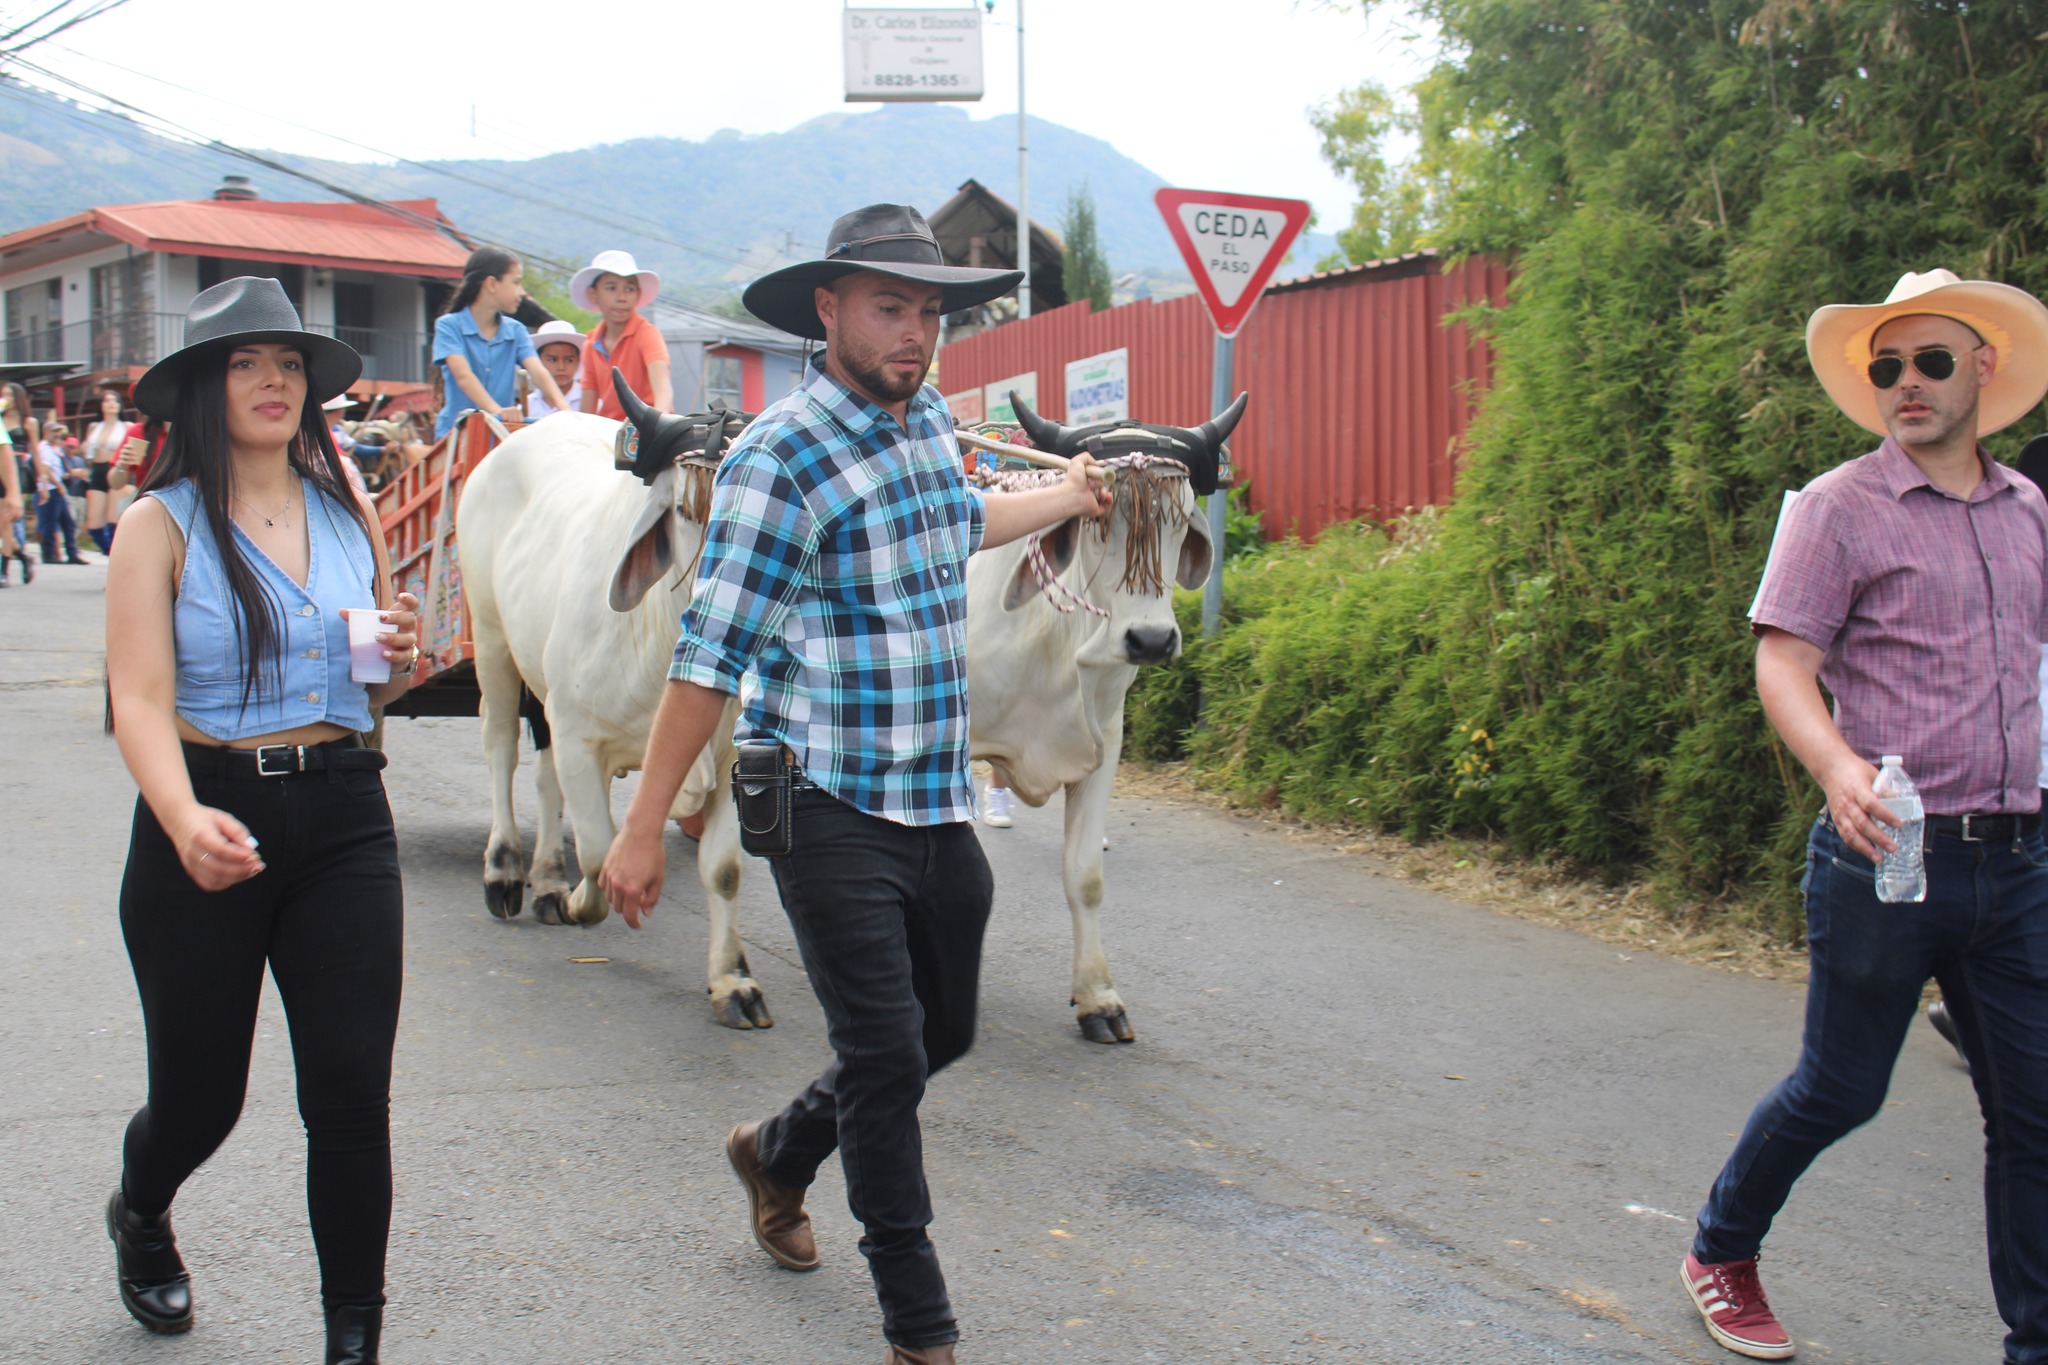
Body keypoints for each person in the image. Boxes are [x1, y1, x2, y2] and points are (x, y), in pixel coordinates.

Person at [599, 203, 1112, 1365]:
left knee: (941, 1033)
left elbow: (956, 522)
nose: (914, 332)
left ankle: (776, 1152)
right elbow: (708, 656)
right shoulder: (778, 459)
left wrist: (1069, 498)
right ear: (827, 309)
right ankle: (918, 1328)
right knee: (885, 1058)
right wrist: (640, 827)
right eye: (889, 307)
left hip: (932, 796)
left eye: (928, 311)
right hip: (822, 798)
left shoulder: (924, 417)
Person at [1684, 269, 2048, 1364]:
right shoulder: (1836, 507)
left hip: (2017, 861)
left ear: (1982, 367)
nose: (1905, 383)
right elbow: (1782, 661)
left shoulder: (2029, 510)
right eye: (1886, 367)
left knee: (2033, 1116)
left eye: (1929, 360)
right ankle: (1719, 1249)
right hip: (1886, 854)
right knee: (1839, 1089)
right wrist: (1837, 767)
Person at [101, 276, 421, 1365]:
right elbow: (139, 699)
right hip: (207, 822)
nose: (274, 380)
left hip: (345, 815)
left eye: (288, 364)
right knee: (201, 1104)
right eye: (246, 363)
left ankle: (353, 1339)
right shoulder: (158, 524)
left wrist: (396, 656)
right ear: (204, 386)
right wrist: (184, 817)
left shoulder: (348, 510)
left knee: (350, 1096)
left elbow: (372, 685)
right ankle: (143, 1208)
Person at [431, 244, 567, 440]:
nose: (521, 292)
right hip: (456, 436)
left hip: (499, 435)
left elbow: (538, 371)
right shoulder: (449, 326)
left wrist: (564, 408)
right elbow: (464, 376)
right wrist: (497, 411)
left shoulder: (516, 330)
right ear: (492, 284)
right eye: (516, 282)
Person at [571, 249, 671, 418]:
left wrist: (660, 423)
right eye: (611, 288)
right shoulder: (591, 344)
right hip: (609, 428)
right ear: (593, 294)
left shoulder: (647, 334)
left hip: (647, 425)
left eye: (629, 289)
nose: (622, 297)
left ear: (638, 295)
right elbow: (587, 409)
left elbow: (663, 389)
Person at [83, 385, 128, 553]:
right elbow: (87, 451)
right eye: (107, 400)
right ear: (101, 405)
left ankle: (117, 554)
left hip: (116, 469)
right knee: (94, 523)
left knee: (113, 518)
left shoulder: (126, 426)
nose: (111, 404)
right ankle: (109, 551)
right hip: (96, 469)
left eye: (115, 401)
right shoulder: (94, 426)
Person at [35, 420, 85, 565]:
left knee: (68, 523)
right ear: (46, 433)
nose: (57, 435)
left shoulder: (54, 449)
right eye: (54, 432)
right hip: (50, 489)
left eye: (59, 432)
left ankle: (72, 553)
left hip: (57, 488)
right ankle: (49, 554)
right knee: (50, 524)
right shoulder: (44, 449)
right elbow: (45, 469)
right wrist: (58, 485)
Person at [524, 319, 584, 419]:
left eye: (569, 360)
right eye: (552, 360)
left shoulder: (588, 401)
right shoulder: (528, 404)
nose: (561, 367)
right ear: (538, 362)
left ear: (578, 362)